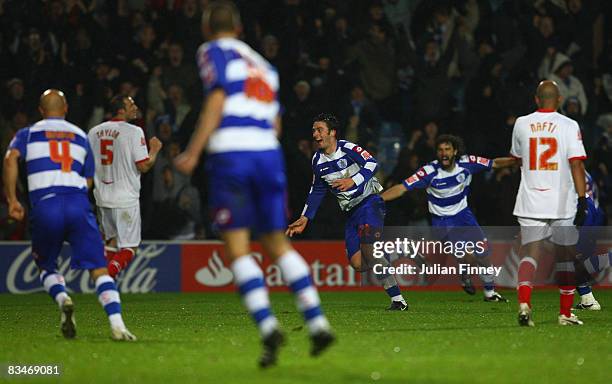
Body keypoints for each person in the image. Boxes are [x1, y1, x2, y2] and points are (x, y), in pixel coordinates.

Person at [173, 1, 333, 368]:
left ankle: (267, 325)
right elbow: (276, 124)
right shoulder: (266, 66)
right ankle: (317, 321)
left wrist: (194, 152)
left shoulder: (211, 51)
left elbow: (216, 97)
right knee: (277, 243)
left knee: (239, 248)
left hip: (233, 155)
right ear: (241, 29)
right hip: (268, 155)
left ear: (207, 28)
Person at [2, 89, 136, 341]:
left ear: (41, 111)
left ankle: (64, 298)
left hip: (46, 204)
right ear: (65, 109)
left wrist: (12, 200)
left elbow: (10, 160)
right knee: (99, 269)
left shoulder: (28, 134)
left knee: (46, 265)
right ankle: (118, 325)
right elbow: (88, 181)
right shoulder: (79, 135)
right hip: (77, 203)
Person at [287, 113, 409, 311]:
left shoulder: (347, 148)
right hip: (351, 212)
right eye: (314, 130)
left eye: (320, 130)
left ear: (332, 133)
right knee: (358, 264)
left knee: (370, 247)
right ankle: (383, 258)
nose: (315, 134)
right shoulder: (317, 160)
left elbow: (372, 163)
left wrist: (354, 180)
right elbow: (317, 189)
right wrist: (305, 217)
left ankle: (398, 300)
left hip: (370, 202)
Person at [381, 134, 513, 302]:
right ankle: (465, 271)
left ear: (455, 151)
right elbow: (402, 188)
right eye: (440, 150)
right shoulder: (429, 171)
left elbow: (494, 163)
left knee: (484, 255)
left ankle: (490, 293)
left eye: (447, 149)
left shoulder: (467, 163)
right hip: (443, 222)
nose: (444, 153)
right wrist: (379, 199)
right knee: (468, 256)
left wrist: (516, 160)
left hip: (465, 216)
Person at [510, 80, 588, 326]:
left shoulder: (521, 123)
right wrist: (583, 198)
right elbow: (576, 163)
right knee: (565, 257)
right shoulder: (569, 125)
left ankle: (524, 303)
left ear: (536, 99)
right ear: (560, 99)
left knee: (530, 252)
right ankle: (564, 314)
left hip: (531, 198)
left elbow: (518, 159)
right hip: (561, 200)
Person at [88, 95, 162, 278]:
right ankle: (105, 277)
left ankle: (106, 284)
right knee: (129, 246)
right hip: (125, 198)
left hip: (103, 198)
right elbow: (143, 165)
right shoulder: (134, 131)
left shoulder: (93, 132)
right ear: (120, 110)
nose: (135, 107)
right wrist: (154, 150)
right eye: (131, 104)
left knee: (111, 240)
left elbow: (87, 165)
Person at [574, 171, 606, 310]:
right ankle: (587, 299)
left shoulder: (571, 168)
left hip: (581, 210)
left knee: (570, 258)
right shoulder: (585, 172)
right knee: (578, 260)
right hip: (592, 210)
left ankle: (588, 300)